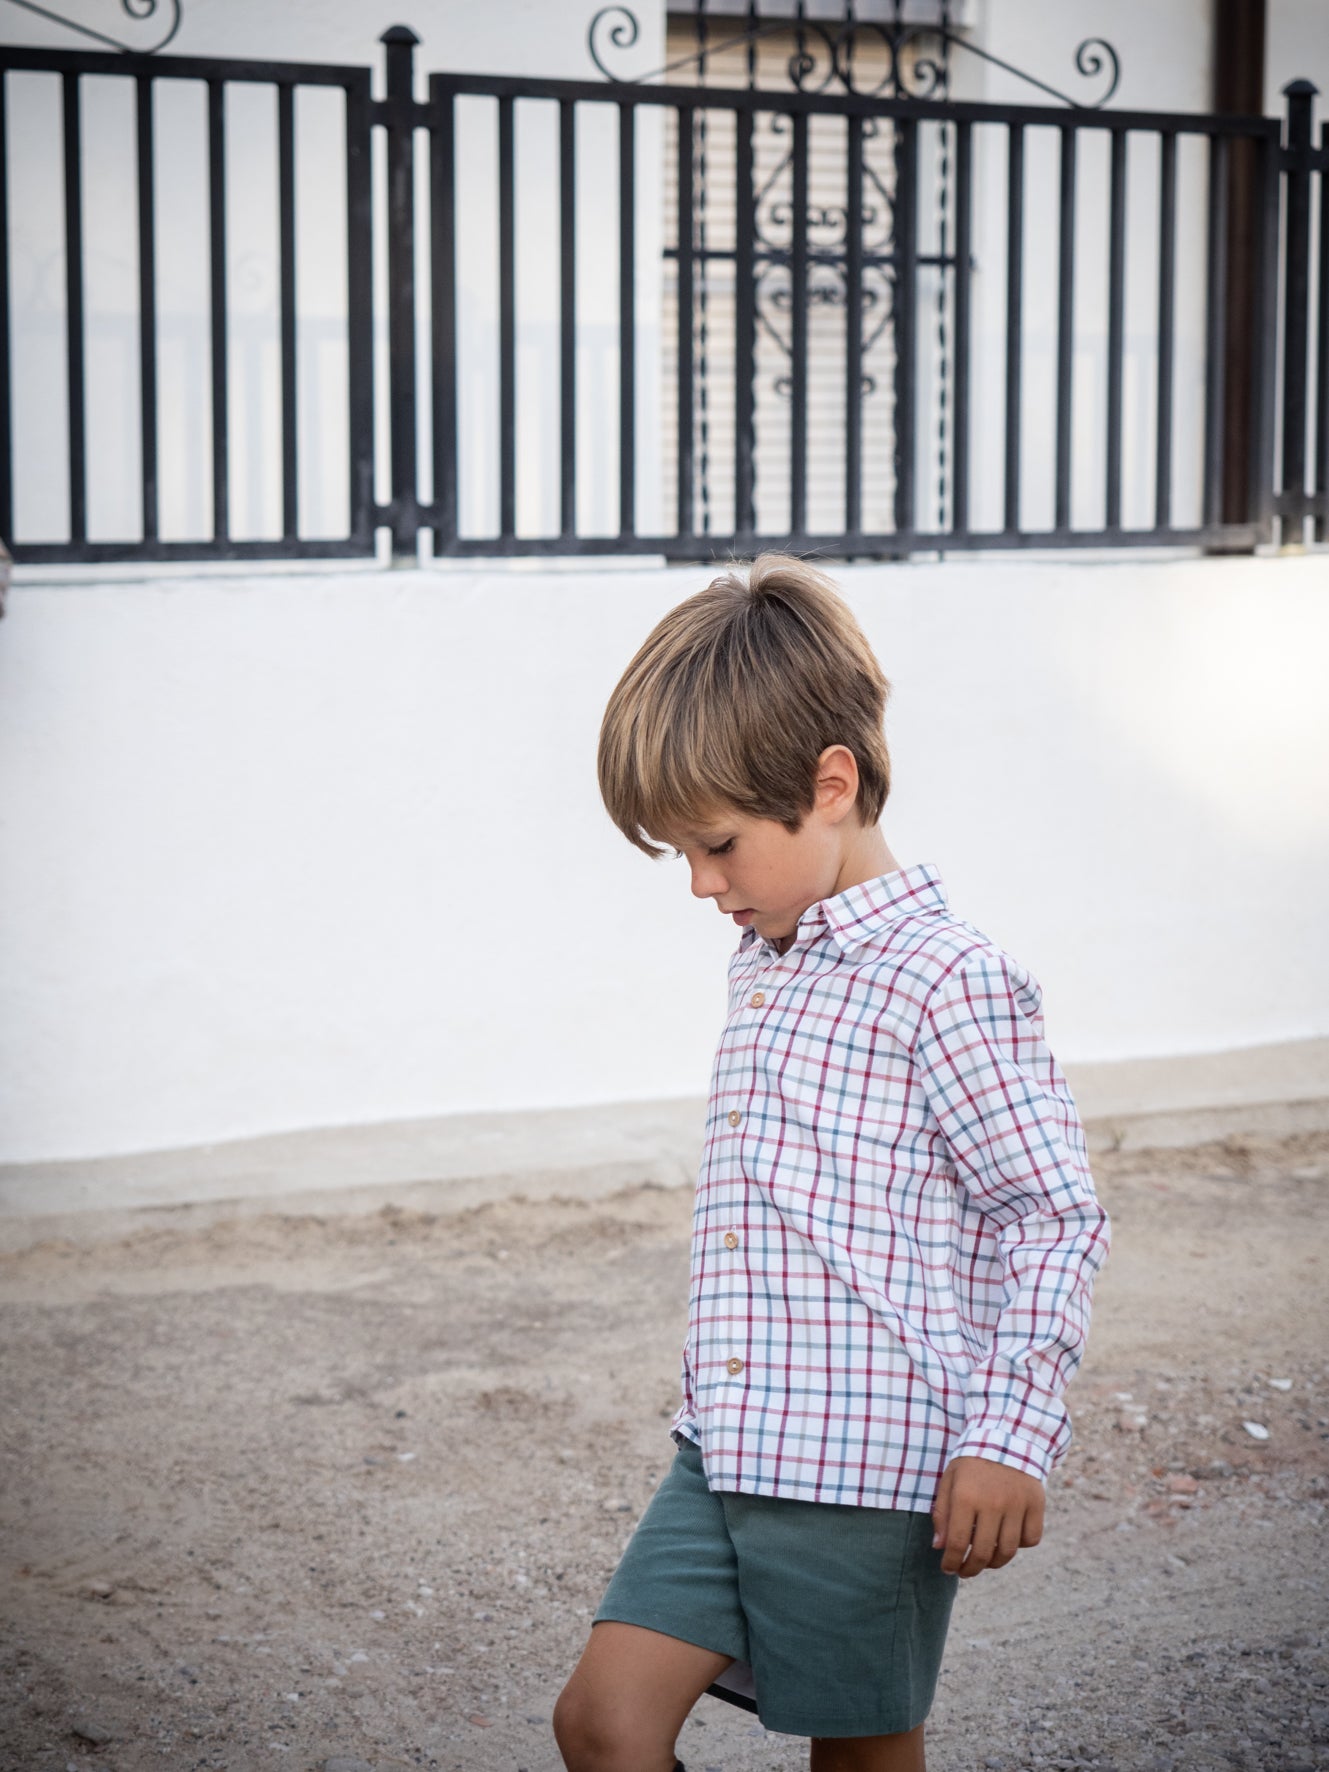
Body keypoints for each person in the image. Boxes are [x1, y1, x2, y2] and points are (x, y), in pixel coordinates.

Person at [553, 555, 1110, 1772]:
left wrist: (1012, 1433)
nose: (701, 884)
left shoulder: (951, 979)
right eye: (679, 856)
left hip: (871, 1474)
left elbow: (1051, 1213)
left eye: (718, 845)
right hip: (728, 1443)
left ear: (831, 785)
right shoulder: (768, 947)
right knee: (601, 1722)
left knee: (857, 1758)